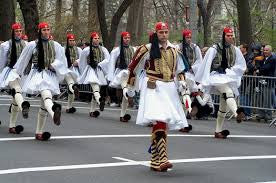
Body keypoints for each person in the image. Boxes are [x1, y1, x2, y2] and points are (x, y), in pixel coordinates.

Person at [125, 22, 188, 171]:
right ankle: (164, 157)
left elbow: (180, 70)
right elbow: (133, 67)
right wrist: (131, 88)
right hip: (153, 87)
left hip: (169, 87)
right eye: (161, 32)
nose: (164, 35)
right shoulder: (146, 49)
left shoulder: (175, 49)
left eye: (166, 32)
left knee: (163, 123)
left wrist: (183, 85)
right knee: (159, 120)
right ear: (156, 33)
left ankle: (154, 160)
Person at [14, 22, 68, 140]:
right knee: (46, 94)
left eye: (48, 29)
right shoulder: (32, 45)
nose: (46, 32)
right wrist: (17, 74)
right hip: (38, 73)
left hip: (50, 73)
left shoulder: (56, 45)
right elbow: (23, 60)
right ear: (39, 31)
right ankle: (54, 113)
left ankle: (39, 132)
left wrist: (54, 66)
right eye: (44, 30)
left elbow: (62, 61)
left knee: (44, 104)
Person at [195, 27, 246, 139]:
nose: (230, 37)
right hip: (216, 76)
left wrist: (232, 70)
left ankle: (218, 131)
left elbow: (241, 65)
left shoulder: (235, 49)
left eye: (232, 35)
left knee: (223, 104)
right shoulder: (214, 49)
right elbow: (206, 64)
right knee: (228, 91)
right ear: (223, 36)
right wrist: (204, 81)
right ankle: (237, 114)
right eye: (228, 35)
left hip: (227, 76)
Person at [0, 23, 30, 134]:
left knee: (16, 99)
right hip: (10, 71)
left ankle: (12, 126)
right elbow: (2, 61)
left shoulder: (26, 44)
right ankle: (24, 107)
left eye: (20, 31)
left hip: (21, 73)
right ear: (13, 32)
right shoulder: (6, 45)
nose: (19, 33)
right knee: (17, 90)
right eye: (17, 31)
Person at [78, 32, 110, 117]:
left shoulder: (103, 49)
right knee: (95, 88)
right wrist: (84, 71)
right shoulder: (86, 50)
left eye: (98, 38)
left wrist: (100, 64)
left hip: (99, 70)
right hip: (91, 70)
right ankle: (100, 102)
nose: (97, 39)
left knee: (96, 91)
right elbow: (82, 61)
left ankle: (92, 111)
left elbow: (108, 59)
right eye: (95, 38)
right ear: (92, 40)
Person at [108, 32, 136, 122]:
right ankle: (127, 94)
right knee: (125, 89)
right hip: (121, 72)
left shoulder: (134, 49)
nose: (127, 39)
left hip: (130, 73)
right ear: (122, 39)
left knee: (125, 95)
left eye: (128, 38)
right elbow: (112, 63)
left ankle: (122, 115)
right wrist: (111, 77)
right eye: (125, 38)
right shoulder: (117, 50)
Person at [256, 45, 276, 121]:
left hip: (268, 82)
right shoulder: (263, 58)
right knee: (260, 98)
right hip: (261, 81)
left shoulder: (273, 59)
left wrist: (259, 70)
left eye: (267, 50)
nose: (265, 52)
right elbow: (258, 66)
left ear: (270, 51)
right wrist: (259, 69)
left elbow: (266, 69)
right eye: (264, 50)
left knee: (267, 99)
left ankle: (268, 115)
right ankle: (261, 114)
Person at [64, 33, 82, 113]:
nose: (72, 42)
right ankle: (74, 89)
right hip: (66, 70)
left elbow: (82, 59)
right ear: (67, 41)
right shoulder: (63, 49)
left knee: (71, 89)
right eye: (70, 40)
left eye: (73, 40)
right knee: (70, 83)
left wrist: (77, 62)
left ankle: (69, 107)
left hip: (75, 70)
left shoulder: (78, 50)